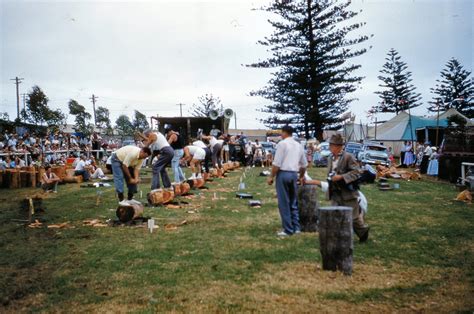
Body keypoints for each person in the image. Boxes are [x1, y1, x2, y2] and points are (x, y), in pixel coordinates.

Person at [325, 134, 369, 242]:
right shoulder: (330, 158)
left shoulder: (348, 157)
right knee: (335, 215)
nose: (330, 147)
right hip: (335, 192)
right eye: (330, 145)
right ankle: (338, 238)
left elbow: (357, 172)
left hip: (348, 193)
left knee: (353, 218)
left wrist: (341, 177)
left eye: (332, 145)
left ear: (339, 146)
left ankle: (363, 232)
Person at [267, 126, 307, 237]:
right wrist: (301, 176)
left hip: (283, 174)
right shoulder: (299, 145)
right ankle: (296, 227)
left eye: (281, 133)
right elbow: (304, 165)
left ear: (284, 133)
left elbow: (277, 164)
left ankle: (288, 229)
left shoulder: (282, 144)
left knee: (283, 202)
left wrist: (271, 176)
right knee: (293, 202)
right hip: (294, 174)